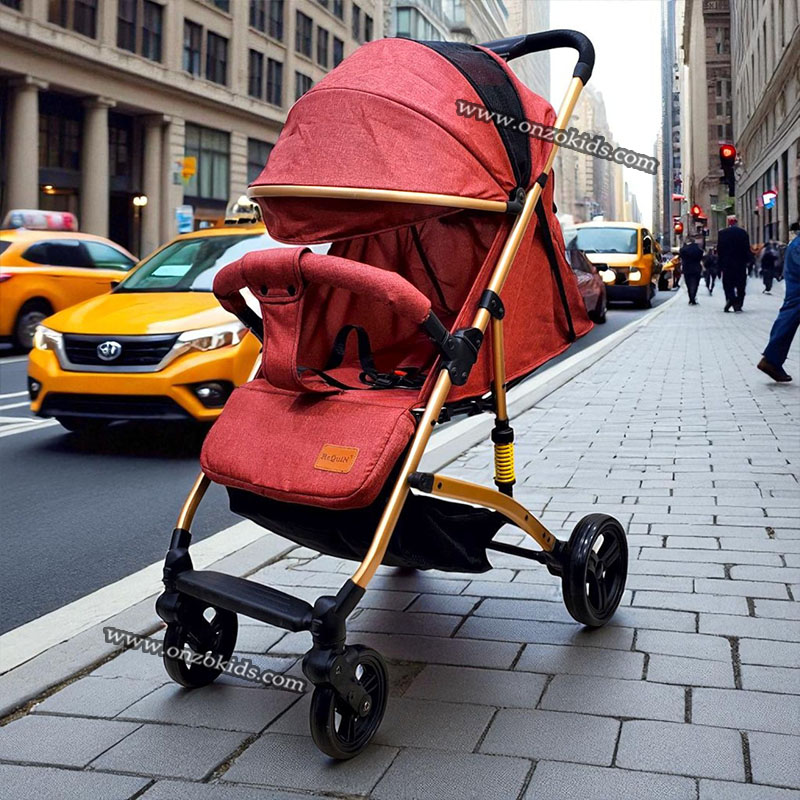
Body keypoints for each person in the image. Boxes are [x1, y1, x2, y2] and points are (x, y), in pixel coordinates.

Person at [758, 222, 800, 382]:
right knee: (787, 321)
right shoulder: (797, 246)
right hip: (797, 292)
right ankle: (771, 360)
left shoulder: (795, 245)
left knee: (787, 321)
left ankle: (772, 360)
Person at [718, 217, 752, 312]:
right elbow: (747, 249)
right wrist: (749, 262)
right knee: (741, 284)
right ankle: (739, 303)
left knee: (728, 284)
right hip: (740, 263)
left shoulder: (722, 233)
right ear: (736, 223)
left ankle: (731, 298)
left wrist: (719, 266)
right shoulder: (743, 233)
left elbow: (720, 250)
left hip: (727, 264)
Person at [679, 237, 704, 304]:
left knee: (688, 283)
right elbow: (701, 257)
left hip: (687, 268)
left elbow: (681, 256)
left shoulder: (684, 249)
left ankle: (691, 297)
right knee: (696, 283)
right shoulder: (699, 249)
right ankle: (693, 296)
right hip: (696, 268)